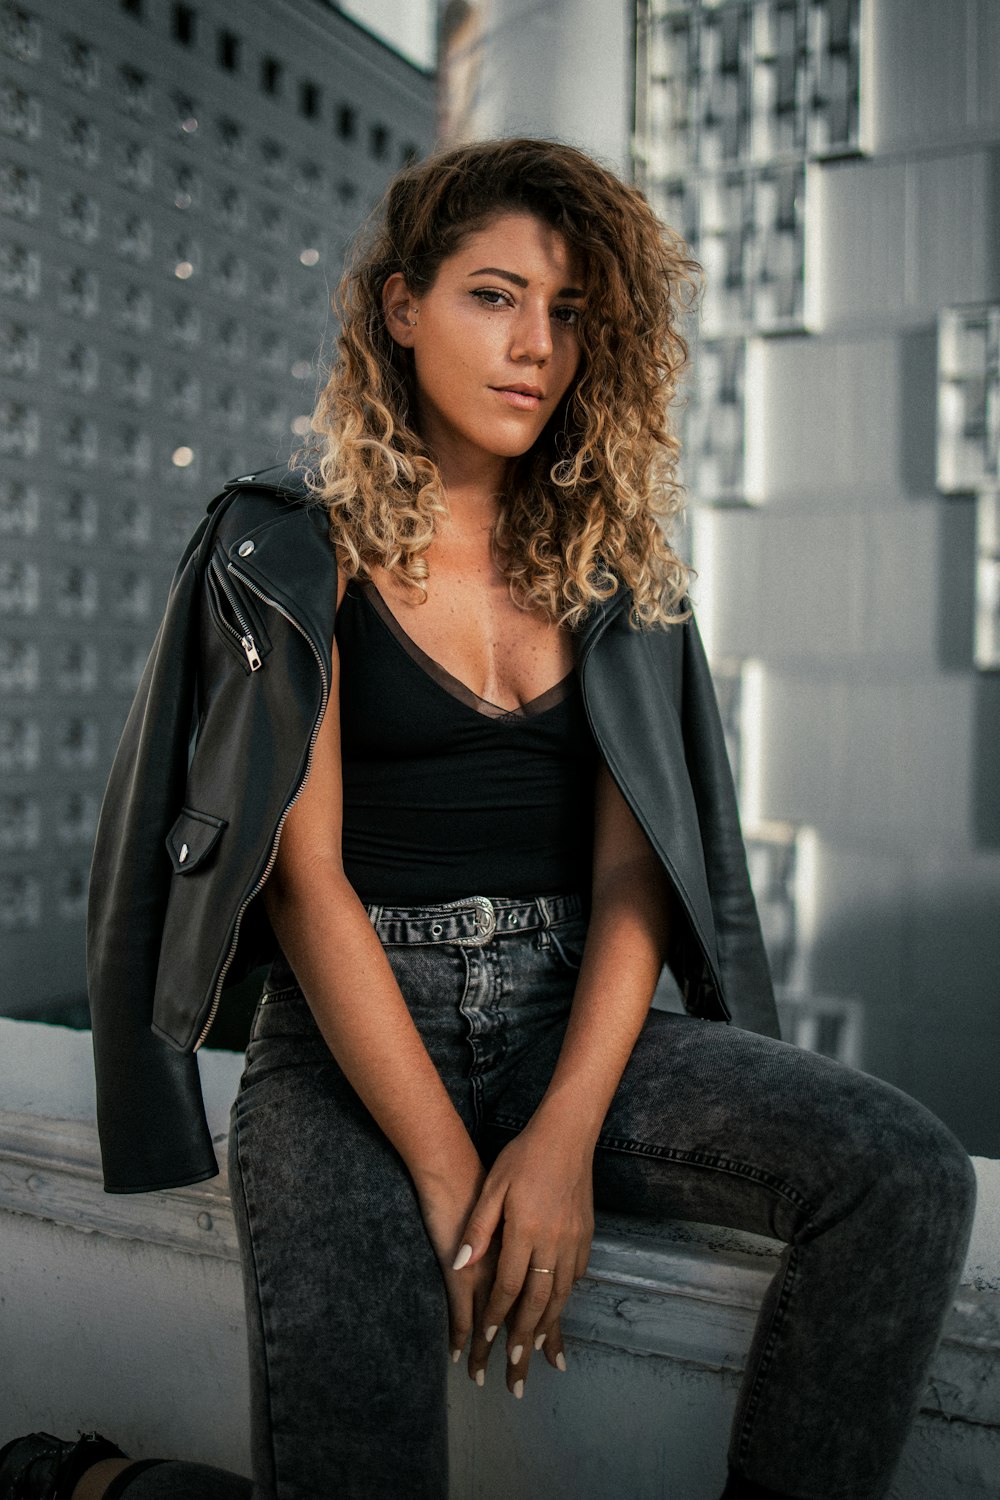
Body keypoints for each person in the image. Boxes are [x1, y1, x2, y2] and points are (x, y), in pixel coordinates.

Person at [0, 138, 976, 1500]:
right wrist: (458, 1178)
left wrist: (566, 1139)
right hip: (350, 1047)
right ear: (402, 306)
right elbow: (309, 885)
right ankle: (91, 1488)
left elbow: (640, 878)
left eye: (570, 313)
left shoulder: (614, 559)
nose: (536, 347)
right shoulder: (290, 546)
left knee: (909, 1177)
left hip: (571, 1012)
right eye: (494, 296)